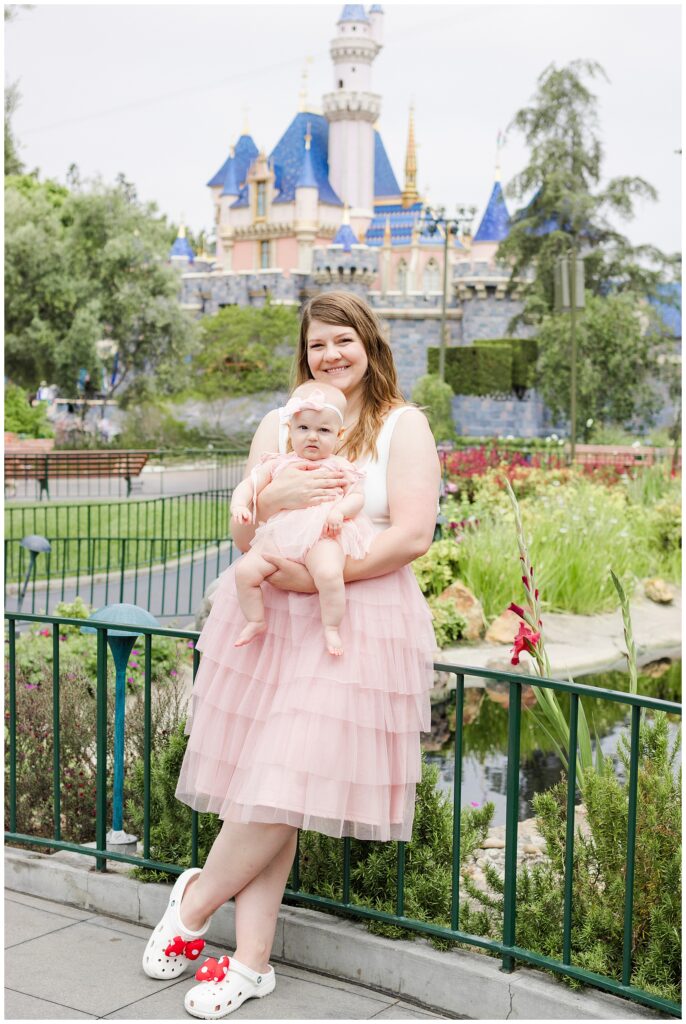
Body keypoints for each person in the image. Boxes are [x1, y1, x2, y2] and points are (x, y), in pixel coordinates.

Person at [142, 292, 440, 1020]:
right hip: (271, 618)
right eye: (317, 345)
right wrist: (275, 521)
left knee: (285, 780)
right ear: (303, 353)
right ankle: (250, 964)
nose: (330, 355)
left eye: (343, 341)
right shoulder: (280, 425)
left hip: (354, 619)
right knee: (274, 791)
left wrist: (319, 577)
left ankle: (195, 902)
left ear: (369, 343)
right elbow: (244, 531)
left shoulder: (401, 426)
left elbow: (412, 535)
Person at [230, 380, 375, 655]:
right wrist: (240, 504)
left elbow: (357, 496)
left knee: (330, 574)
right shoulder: (278, 463)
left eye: (323, 430)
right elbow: (250, 484)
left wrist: (339, 511)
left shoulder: (339, 465)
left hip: (322, 534)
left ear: (339, 434)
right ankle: (255, 619)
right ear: (290, 431)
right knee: (245, 572)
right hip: (280, 536)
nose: (312, 436)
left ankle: (331, 627)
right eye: (304, 428)